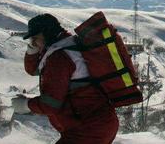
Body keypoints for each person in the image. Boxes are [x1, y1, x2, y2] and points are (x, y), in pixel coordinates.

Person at [11, 14, 119, 144]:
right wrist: (32, 49)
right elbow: (34, 70)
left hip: (87, 129)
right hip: (96, 124)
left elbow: (51, 103)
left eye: (35, 38)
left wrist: (25, 105)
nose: (33, 42)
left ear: (48, 34)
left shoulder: (59, 58)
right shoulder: (67, 44)